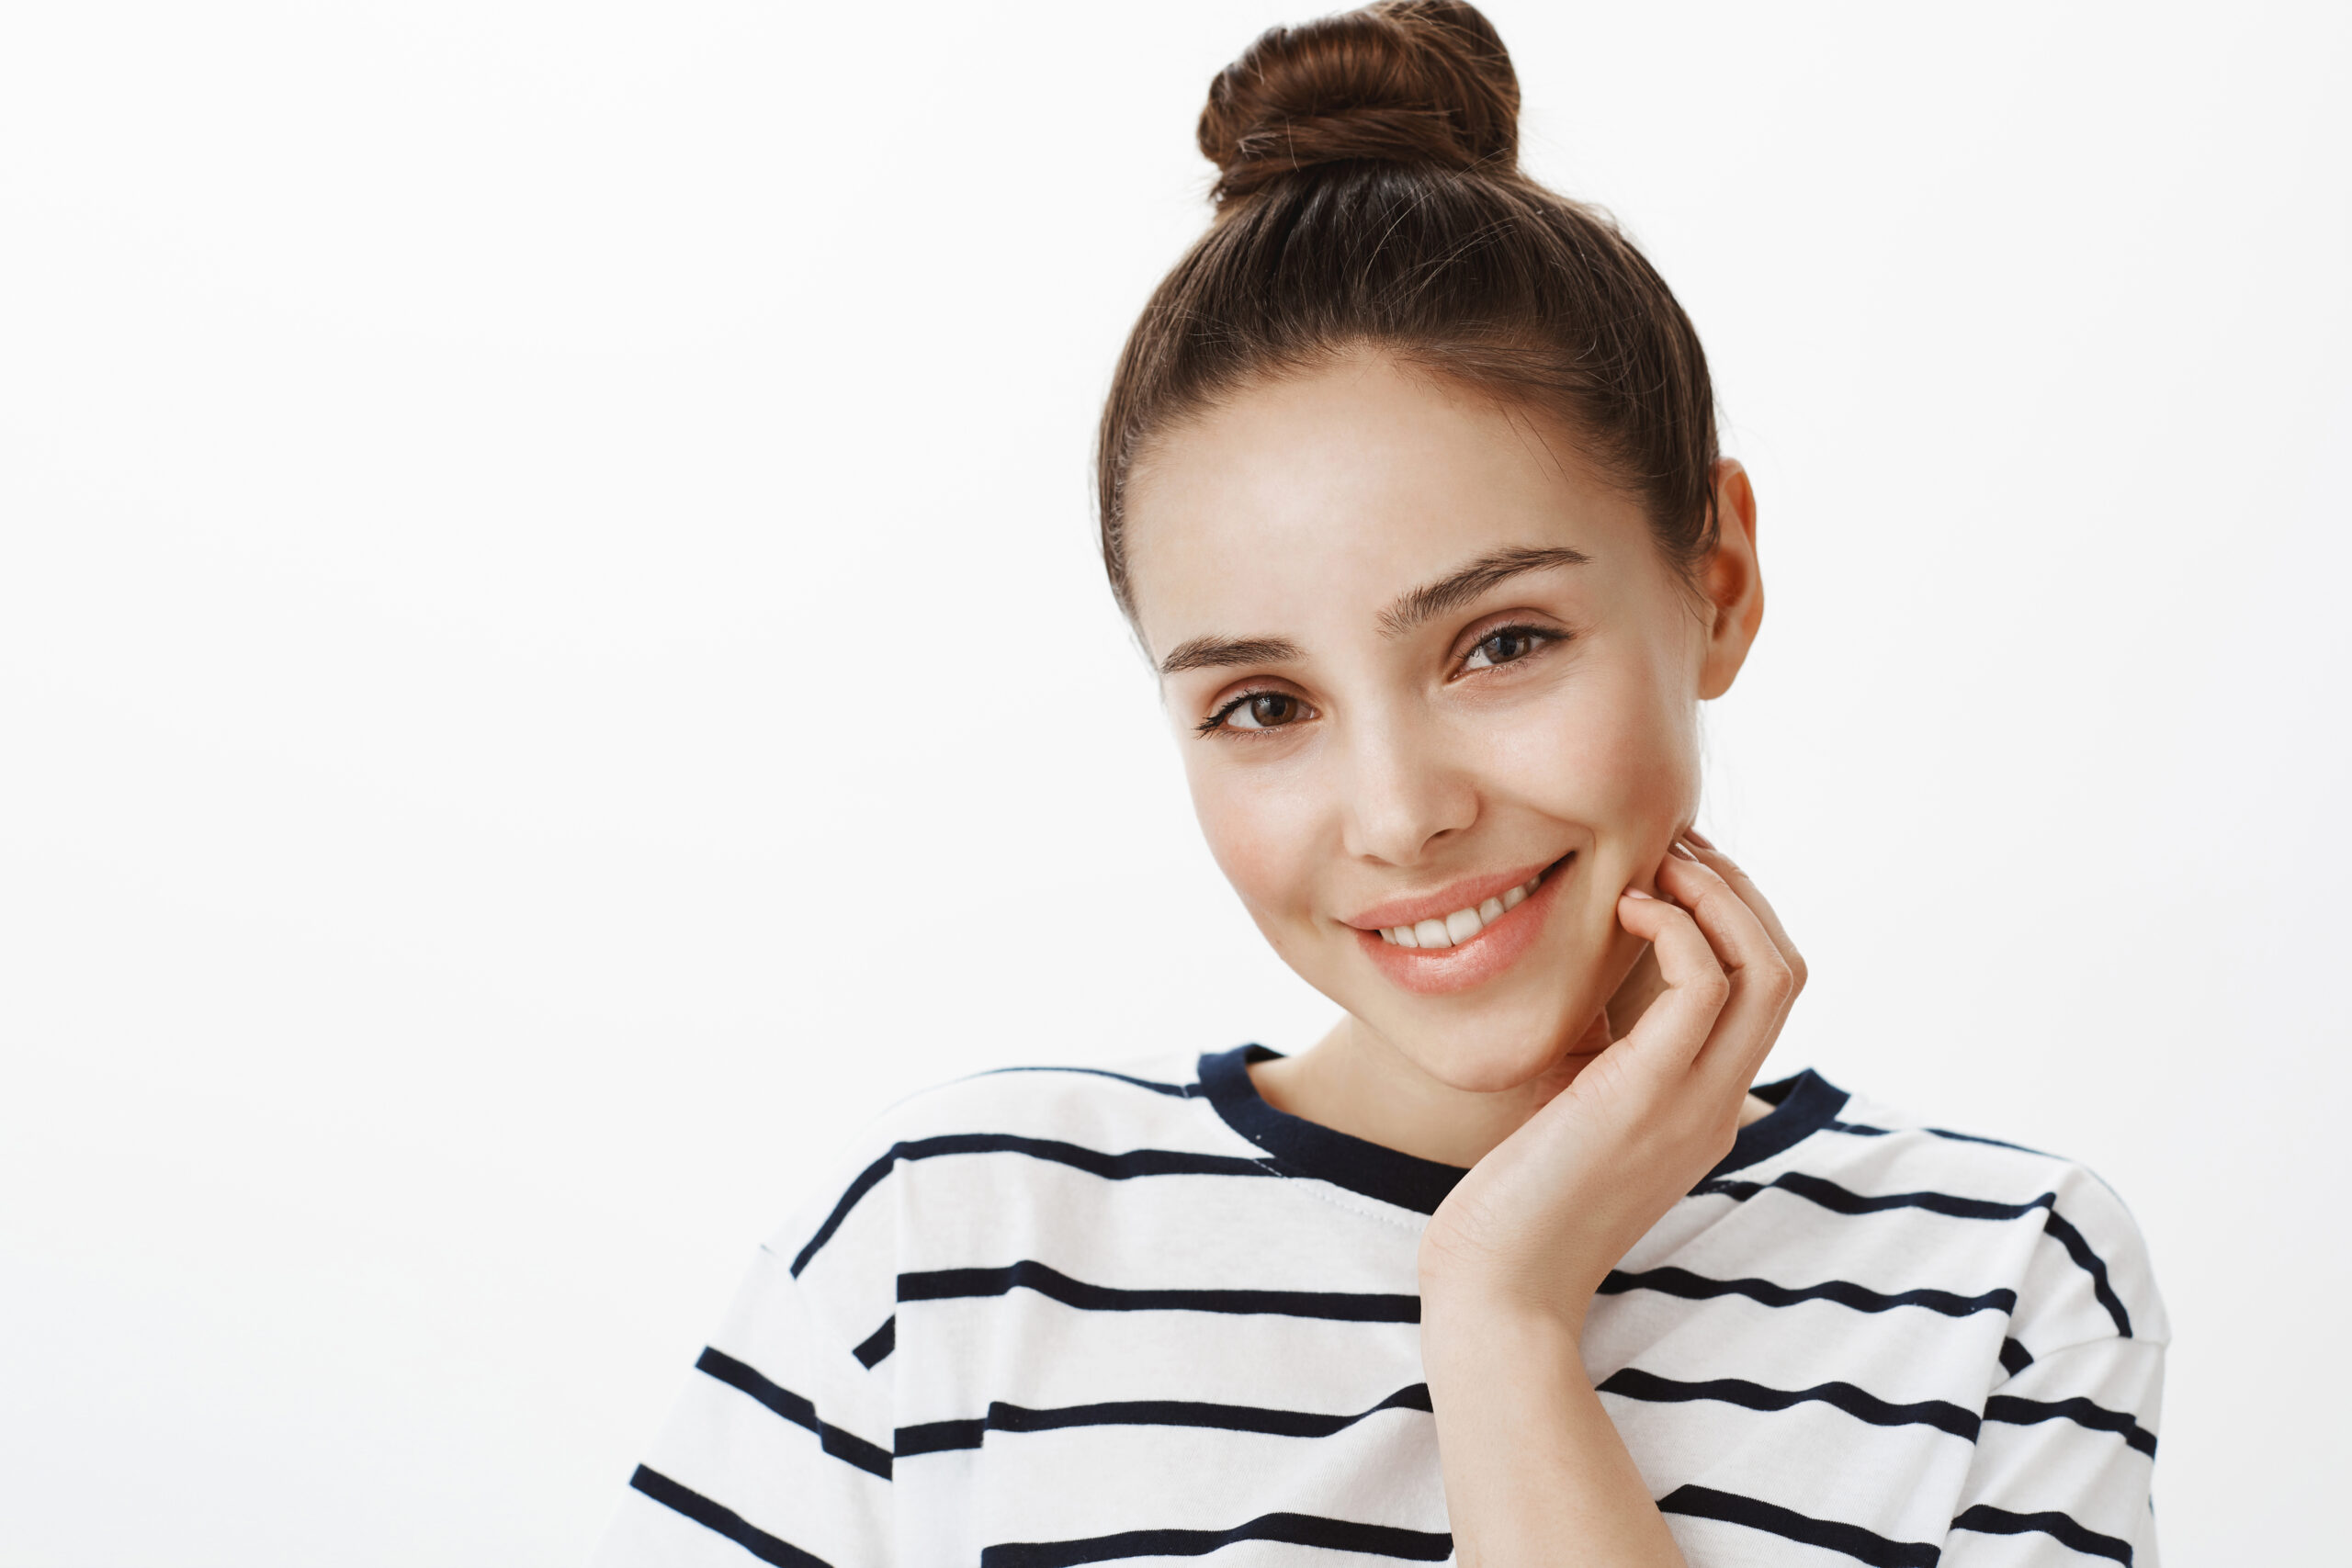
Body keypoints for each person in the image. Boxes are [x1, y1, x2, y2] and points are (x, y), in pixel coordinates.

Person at [590, 3, 2166, 1562]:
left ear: (1719, 578)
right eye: (1265, 703)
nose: (1401, 813)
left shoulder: (1996, 1291)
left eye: (1502, 644)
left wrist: (1504, 1321)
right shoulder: (952, 1261)